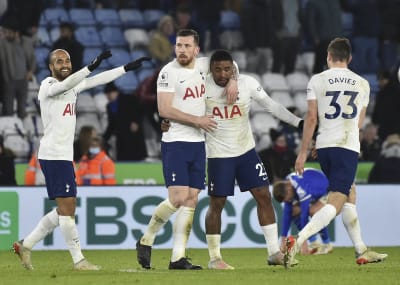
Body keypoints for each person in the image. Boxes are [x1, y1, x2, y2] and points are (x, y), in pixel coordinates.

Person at [12, 48, 151, 270]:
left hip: (64, 156)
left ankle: (25, 245)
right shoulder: (47, 85)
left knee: (63, 210)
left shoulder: (73, 83)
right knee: (68, 210)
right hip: (54, 155)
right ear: (50, 67)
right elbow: (67, 84)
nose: (64, 64)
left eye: (67, 59)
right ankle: (79, 261)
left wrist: (125, 68)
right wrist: (91, 65)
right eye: (59, 61)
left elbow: (97, 80)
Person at [135, 29, 238, 270]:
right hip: (176, 142)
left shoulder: (204, 66)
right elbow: (165, 110)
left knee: (192, 199)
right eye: (178, 45)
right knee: (178, 198)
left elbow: (231, 64)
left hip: (198, 144)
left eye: (186, 46)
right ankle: (146, 239)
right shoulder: (168, 73)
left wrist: (232, 80)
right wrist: (198, 120)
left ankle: (177, 258)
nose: (181, 50)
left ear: (197, 49)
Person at [286, 37, 388, 267]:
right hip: (346, 146)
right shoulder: (362, 83)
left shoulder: (317, 80)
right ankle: (298, 239)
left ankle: (361, 250)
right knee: (338, 199)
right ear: (349, 58)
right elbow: (358, 123)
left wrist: (304, 151)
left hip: (324, 146)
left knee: (350, 193)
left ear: (328, 57)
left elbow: (312, 118)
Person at [202, 50, 303, 269]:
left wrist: (298, 122)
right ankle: (214, 258)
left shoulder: (247, 83)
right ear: (211, 69)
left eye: (227, 69)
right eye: (217, 69)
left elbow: (272, 106)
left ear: (233, 69)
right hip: (219, 154)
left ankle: (274, 252)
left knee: (264, 196)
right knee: (217, 204)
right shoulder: (202, 87)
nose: (222, 74)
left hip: (246, 151)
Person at [273, 168, 333, 256]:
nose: (289, 200)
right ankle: (315, 243)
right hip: (313, 191)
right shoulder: (287, 184)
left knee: (313, 211)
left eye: (288, 198)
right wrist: (283, 240)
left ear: (288, 189)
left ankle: (327, 244)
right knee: (294, 212)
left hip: (326, 189)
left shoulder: (300, 188)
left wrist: (302, 241)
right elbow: (287, 214)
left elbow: (304, 216)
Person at [0, 17, 36, 119]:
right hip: (9, 80)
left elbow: (32, 59)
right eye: (5, 32)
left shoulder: (26, 42)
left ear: (16, 33)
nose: (6, 34)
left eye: (9, 32)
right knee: (8, 109)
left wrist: (30, 71)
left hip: (23, 80)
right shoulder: (3, 43)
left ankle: (22, 131)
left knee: (22, 109)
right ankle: (9, 130)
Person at [102, 82, 148, 161]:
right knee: (123, 160)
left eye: (110, 93)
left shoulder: (129, 98)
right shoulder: (109, 106)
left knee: (137, 160)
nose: (108, 96)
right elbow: (111, 125)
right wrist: (104, 139)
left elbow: (142, 110)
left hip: (134, 136)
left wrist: (136, 121)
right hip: (121, 139)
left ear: (116, 92)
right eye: (107, 94)